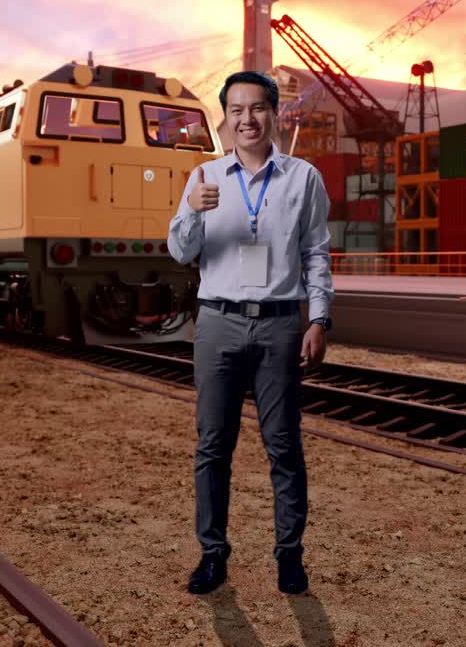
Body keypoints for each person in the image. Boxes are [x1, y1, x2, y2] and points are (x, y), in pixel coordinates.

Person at [167, 71, 334, 595]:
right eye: (236, 110)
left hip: (281, 323)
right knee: (213, 446)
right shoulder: (203, 177)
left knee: (283, 445)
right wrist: (192, 215)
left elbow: (316, 254)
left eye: (257, 108)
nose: (247, 119)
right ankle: (212, 556)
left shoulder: (303, 178)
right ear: (224, 120)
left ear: (274, 114)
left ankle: (290, 556)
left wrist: (319, 318)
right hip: (217, 321)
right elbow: (179, 251)